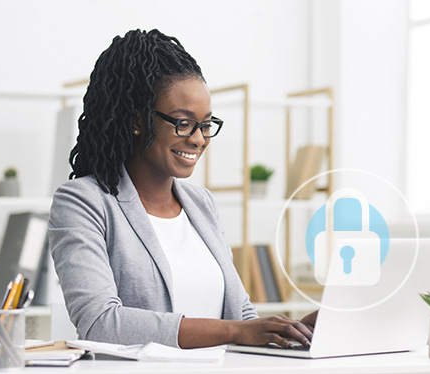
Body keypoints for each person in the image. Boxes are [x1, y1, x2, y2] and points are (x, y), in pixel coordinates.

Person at [48, 29, 316, 349]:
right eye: (183, 123)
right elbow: (100, 322)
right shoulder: (83, 202)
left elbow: (241, 317)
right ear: (138, 120)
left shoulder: (202, 204)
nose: (199, 139)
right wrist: (233, 332)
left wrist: (293, 331)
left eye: (205, 124)